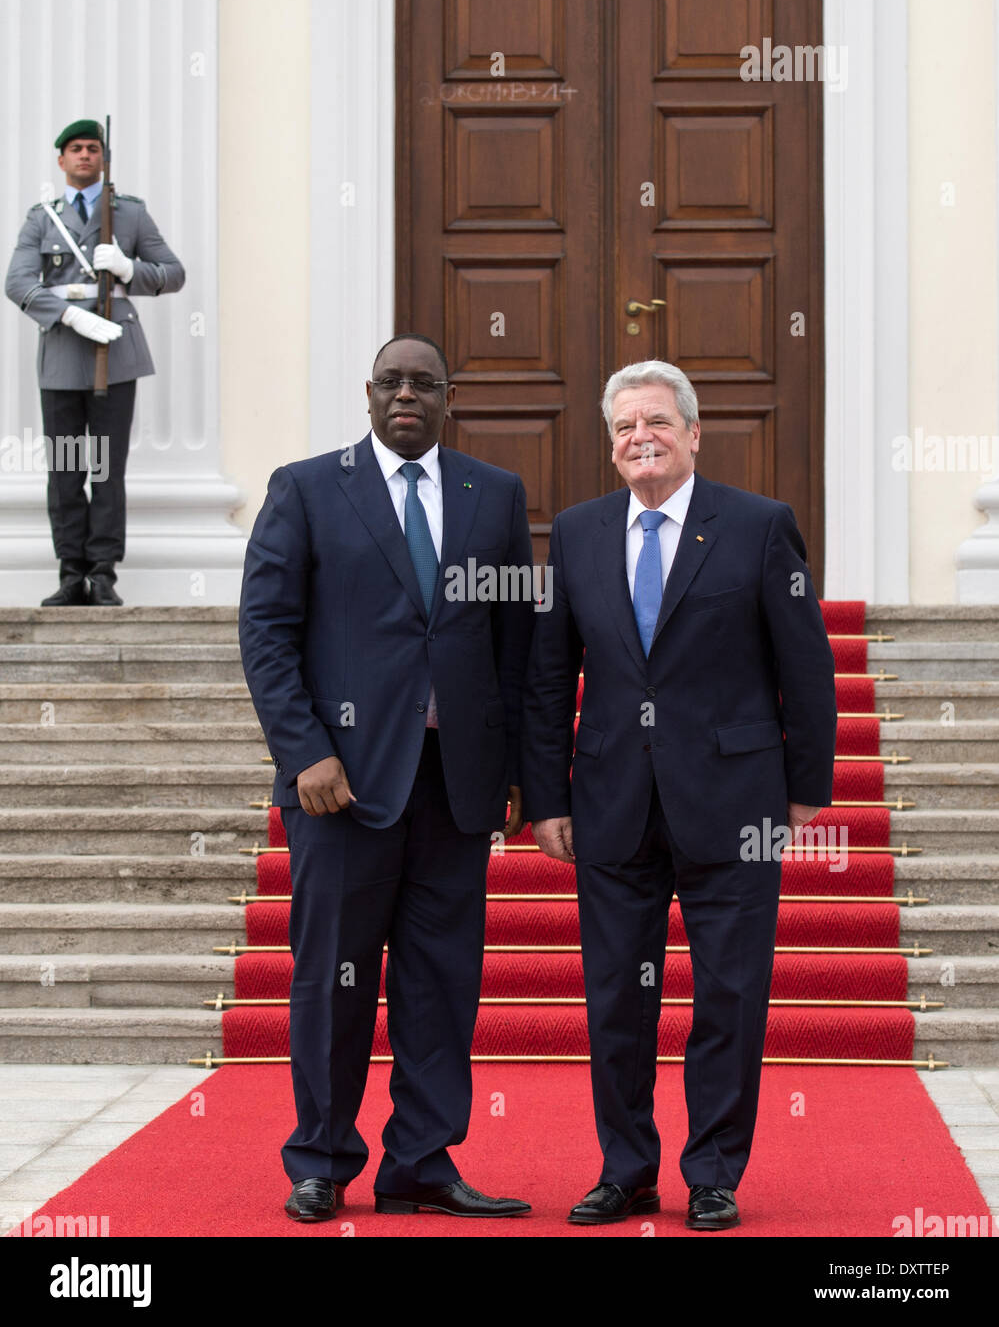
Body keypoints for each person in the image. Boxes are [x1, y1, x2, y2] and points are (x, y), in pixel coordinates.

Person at [521, 359, 837, 1229]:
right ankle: (625, 1169)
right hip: (612, 801)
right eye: (624, 427)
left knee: (729, 997)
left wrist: (805, 788)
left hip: (734, 803)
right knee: (616, 998)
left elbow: (803, 665)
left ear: (693, 434)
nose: (640, 438)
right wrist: (546, 797)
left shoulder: (759, 527)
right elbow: (551, 679)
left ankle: (713, 1173)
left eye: (656, 422)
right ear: (610, 445)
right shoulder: (579, 534)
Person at [239, 333, 536, 1221]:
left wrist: (518, 767)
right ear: (367, 395)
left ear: (448, 399)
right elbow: (266, 632)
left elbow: (512, 645)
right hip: (343, 787)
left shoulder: (496, 495)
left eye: (424, 384)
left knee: (441, 981)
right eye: (391, 382)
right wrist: (305, 754)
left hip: (456, 785)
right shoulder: (306, 488)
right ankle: (322, 1160)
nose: (406, 395)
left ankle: (422, 1160)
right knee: (333, 978)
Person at [4, 118, 185, 606]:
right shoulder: (43, 217)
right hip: (65, 358)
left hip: (116, 358)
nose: (85, 155)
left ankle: (103, 572)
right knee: (66, 469)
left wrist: (129, 269)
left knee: (107, 469)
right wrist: (69, 316)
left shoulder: (129, 215)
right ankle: (70, 571)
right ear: (61, 160)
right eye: (75, 149)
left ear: (103, 158)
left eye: (93, 148)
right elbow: (18, 282)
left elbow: (173, 273)